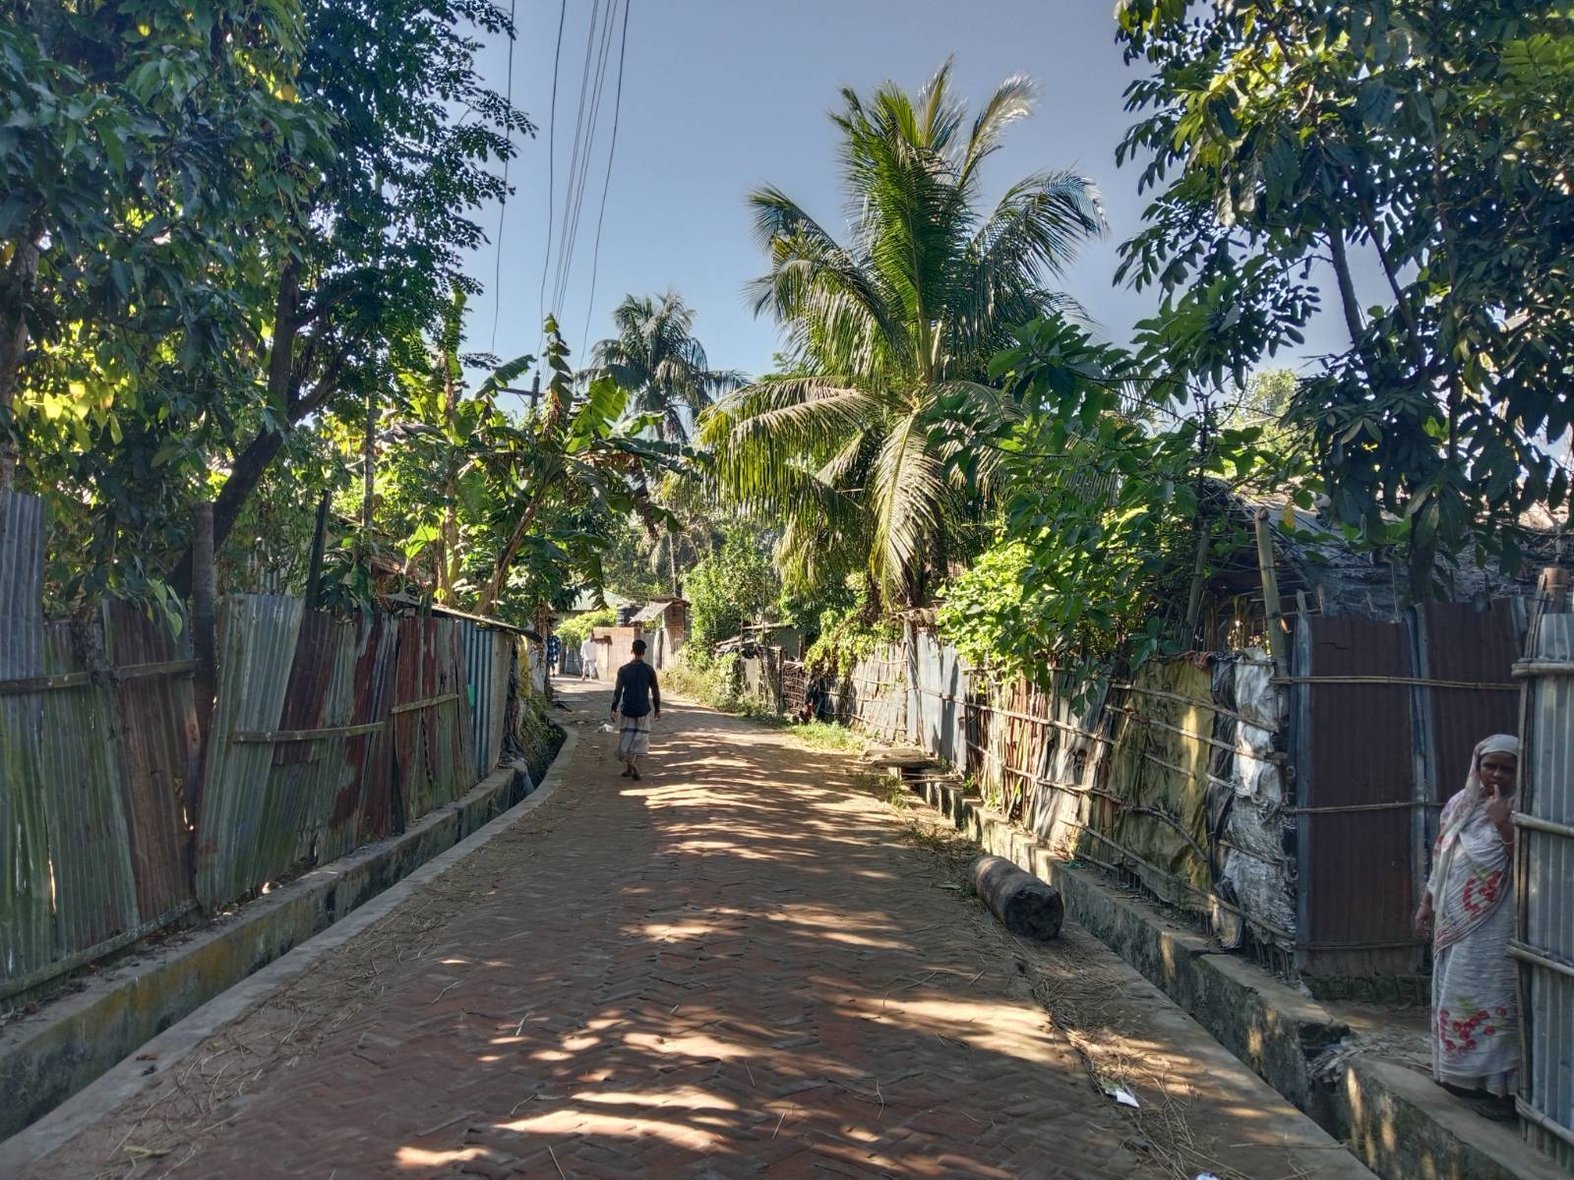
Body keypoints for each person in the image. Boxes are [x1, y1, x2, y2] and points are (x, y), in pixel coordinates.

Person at [1414, 733, 1521, 1100]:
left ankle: (1494, 1087)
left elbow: (1531, 865)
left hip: (1495, 924)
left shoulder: (1523, 808)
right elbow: (1442, 855)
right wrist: (1427, 904)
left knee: (1489, 995)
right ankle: (1456, 1075)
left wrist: (1503, 824)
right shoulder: (1460, 804)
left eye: (1507, 769)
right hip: (1451, 917)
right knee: (1453, 990)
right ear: (1477, 766)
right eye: (1490, 766)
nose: (1497, 775)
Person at [610, 638, 660, 781]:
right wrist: (657, 709)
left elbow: (618, 691)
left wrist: (613, 709)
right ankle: (635, 764)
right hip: (643, 709)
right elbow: (655, 691)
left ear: (632, 651)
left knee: (627, 738)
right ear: (644, 652)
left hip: (628, 709)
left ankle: (629, 767)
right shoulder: (649, 670)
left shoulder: (624, 670)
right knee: (641, 740)